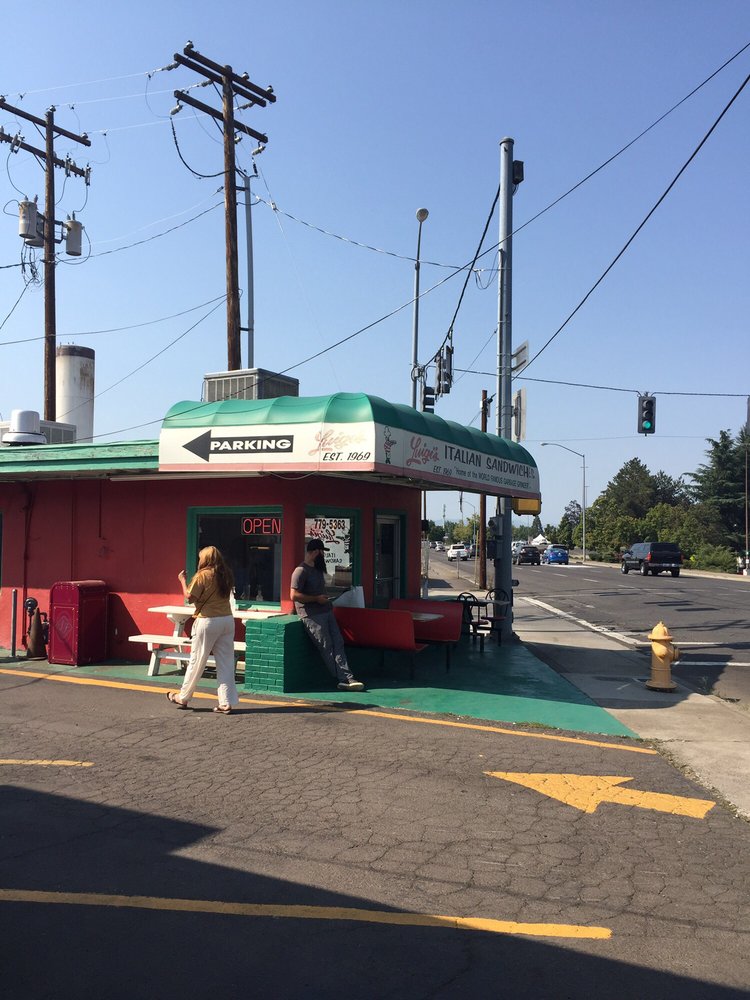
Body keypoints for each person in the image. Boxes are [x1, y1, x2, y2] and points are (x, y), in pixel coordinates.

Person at [167, 546, 240, 714]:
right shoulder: (226, 573)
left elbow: (190, 597)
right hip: (227, 620)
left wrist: (182, 580)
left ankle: (183, 697)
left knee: (197, 660)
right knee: (226, 662)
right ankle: (226, 702)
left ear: (205, 559)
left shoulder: (202, 575)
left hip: (208, 621)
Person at [290, 539, 365, 691]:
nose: (323, 555)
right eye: (322, 552)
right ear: (316, 552)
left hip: (326, 610)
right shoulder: (300, 571)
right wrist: (316, 599)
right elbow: (293, 595)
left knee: (338, 643)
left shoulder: (317, 569)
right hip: (312, 615)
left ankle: (348, 677)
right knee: (327, 647)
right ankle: (344, 678)